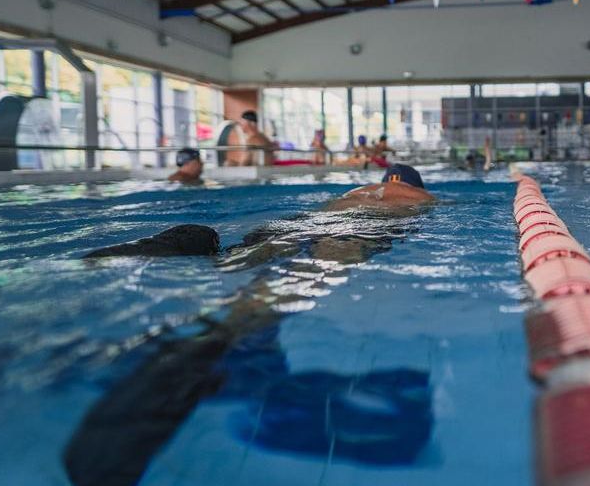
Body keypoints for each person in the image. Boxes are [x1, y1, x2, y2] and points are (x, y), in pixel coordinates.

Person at [65, 165, 436, 485]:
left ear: (385, 177)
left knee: (228, 258)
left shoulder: (357, 191)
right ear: (415, 184)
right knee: (268, 300)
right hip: (350, 233)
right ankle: (213, 346)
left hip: (290, 227)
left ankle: (183, 245)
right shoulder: (420, 198)